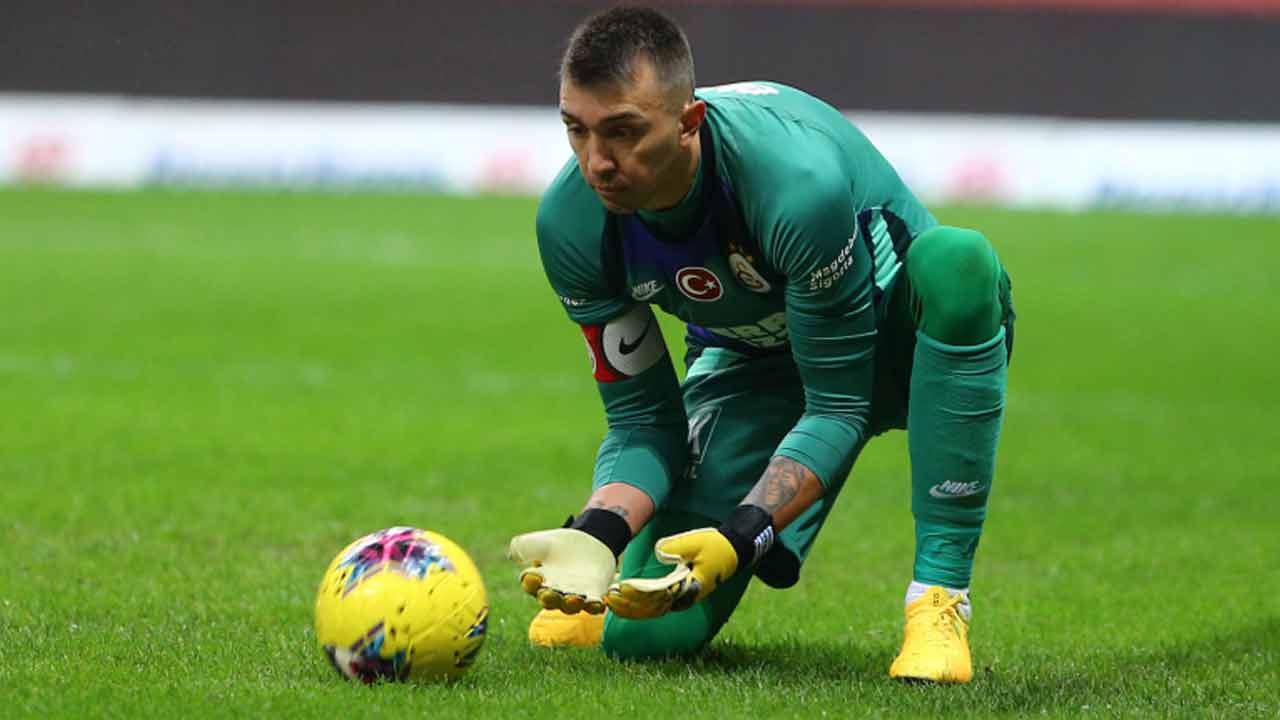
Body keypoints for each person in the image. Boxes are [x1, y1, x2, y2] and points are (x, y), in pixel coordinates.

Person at [507, 5, 1014, 684]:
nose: (598, 163)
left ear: (689, 122)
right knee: (644, 637)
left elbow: (839, 404)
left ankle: (938, 602)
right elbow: (641, 422)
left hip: (895, 335)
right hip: (754, 362)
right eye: (577, 129)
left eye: (623, 132)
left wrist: (743, 532)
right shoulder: (571, 224)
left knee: (957, 262)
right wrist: (598, 534)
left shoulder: (793, 186)